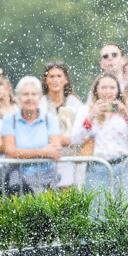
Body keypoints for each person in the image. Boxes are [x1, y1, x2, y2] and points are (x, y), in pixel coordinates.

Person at [70, 73, 128, 196]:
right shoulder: (86, 110)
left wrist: (127, 116)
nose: (108, 91)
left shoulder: (126, 110)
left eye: (112, 88)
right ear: (96, 90)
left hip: (124, 166)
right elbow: (76, 138)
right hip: (97, 168)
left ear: (118, 90)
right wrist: (91, 116)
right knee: (98, 211)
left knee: (125, 209)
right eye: (103, 87)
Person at [1, 76, 61, 195]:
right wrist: (43, 152)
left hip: (47, 178)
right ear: (19, 97)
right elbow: (10, 153)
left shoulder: (50, 119)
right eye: (25, 94)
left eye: (33, 94)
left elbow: (55, 151)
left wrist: (21, 154)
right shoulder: (9, 120)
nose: (30, 98)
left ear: (39, 97)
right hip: (18, 181)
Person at [40, 61, 84, 190]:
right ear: (45, 81)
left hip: (70, 160)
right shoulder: (40, 104)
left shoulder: (75, 103)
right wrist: (60, 140)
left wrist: (71, 141)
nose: (55, 80)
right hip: (46, 159)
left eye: (59, 76)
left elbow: (82, 131)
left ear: (66, 79)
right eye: (51, 76)